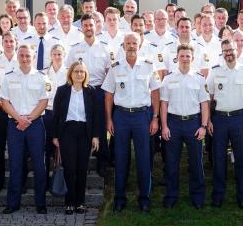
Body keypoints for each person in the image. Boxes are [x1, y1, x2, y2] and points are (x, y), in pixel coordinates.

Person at [103, 32, 160, 213]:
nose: (131, 46)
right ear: (123, 45)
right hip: (121, 117)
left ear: (139, 44)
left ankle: (144, 199)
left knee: (144, 159)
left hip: (142, 116)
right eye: (128, 43)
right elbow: (109, 94)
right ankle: (120, 198)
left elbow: (156, 93)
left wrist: (155, 117)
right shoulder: (115, 67)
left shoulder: (149, 66)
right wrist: (109, 119)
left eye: (134, 43)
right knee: (121, 158)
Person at [0, 44, 51, 214]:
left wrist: (28, 119)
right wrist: (18, 118)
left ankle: (40, 203)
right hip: (15, 125)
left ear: (33, 57)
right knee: (15, 164)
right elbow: (4, 101)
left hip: (35, 124)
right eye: (21, 55)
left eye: (28, 56)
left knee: (39, 164)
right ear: (17, 57)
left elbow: (44, 101)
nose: (24, 58)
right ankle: (13, 203)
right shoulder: (8, 77)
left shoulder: (42, 77)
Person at [160, 43, 210, 209]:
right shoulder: (168, 79)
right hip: (173, 123)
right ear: (177, 57)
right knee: (172, 163)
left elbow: (204, 104)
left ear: (193, 58)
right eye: (182, 55)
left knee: (196, 163)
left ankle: (197, 197)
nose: (185, 59)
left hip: (193, 124)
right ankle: (171, 196)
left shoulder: (199, 79)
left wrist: (203, 126)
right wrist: (164, 126)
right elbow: (164, 104)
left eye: (188, 56)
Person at [207, 39, 243, 209]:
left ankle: (242, 196)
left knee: (241, 159)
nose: (228, 52)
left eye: (231, 49)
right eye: (225, 50)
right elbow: (209, 97)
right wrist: (209, 120)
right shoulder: (215, 71)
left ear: (237, 49)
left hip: (239, 119)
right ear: (222, 52)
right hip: (219, 119)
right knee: (219, 159)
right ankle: (218, 196)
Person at [53, 61, 102, 214]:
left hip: (85, 133)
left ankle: (80, 202)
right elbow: (55, 115)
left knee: (82, 168)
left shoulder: (91, 92)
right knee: (70, 168)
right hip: (67, 131)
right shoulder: (62, 91)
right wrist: (55, 136)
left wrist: (96, 136)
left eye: (82, 71)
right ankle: (69, 202)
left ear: (86, 74)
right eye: (76, 71)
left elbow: (96, 117)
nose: (79, 74)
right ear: (71, 74)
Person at [66, 14, 112, 176]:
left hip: (99, 90)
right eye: (85, 25)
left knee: (100, 125)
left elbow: (109, 73)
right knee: (84, 125)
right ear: (81, 28)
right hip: (80, 90)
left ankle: (103, 161)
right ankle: (83, 159)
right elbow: (69, 71)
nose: (88, 28)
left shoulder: (105, 47)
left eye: (91, 25)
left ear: (96, 26)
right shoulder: (75, 49)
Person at [0, 31, 20, 192]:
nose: (9, 44)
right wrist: (1, 102)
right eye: (6, 41)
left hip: (18, 110)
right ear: (2, 43)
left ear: (16, 42)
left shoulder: (22, 60)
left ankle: (19, 184)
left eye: (11, 41)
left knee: (19, 148)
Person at [43, 44, 67, 186]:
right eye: (55, 54)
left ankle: (62, 183)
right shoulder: (43, 73)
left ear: (64, 55)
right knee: (46, 149)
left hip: (64, 115)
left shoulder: (70, 72)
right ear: (51, 56)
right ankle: (45, 182)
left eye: (60, 54)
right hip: (47, 113)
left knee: (63, 150)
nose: (57, 57)